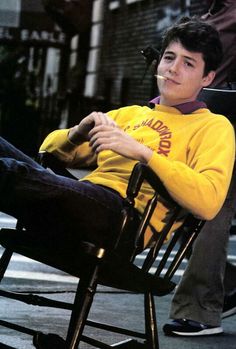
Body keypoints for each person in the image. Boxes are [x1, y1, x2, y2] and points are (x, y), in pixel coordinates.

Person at [0, 18, 234, 283]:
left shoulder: (213, 126)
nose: (172, 69)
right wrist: (79, 131)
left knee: (13, 173)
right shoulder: (129, 115)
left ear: (208, 77)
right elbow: (48, 154)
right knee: (11, 161)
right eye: (169, 58)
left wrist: (144, 153)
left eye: (188, 63)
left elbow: (208, 203)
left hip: (121, 224)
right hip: (81, 205)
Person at [163, 0, 236, 337]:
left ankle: (201, 311)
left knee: (208, 215)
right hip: (188, 127)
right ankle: (223, 285)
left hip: (224, 129)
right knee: (175, 211)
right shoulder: (211, 13)